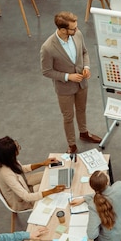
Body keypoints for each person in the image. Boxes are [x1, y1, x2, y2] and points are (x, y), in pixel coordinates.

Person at [40, 11, 102, 153]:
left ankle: (84, 133)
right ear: (62, 30)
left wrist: (86, 67)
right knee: (68, 116)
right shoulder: (47, 48)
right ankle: (72, 144)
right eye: (73, 28)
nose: (77, 29)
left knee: (82, 109)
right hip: (64, 88)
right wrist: (68, 76)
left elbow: (84, 52)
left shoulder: (77, 34)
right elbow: (46, 71)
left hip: (82, 82)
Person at [0, 136, 65, 212]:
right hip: (22, 200)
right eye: (17, 148)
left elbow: (21, 168)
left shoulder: (6, 161)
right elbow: (26, 197)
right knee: (50, 186)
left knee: (51, 175)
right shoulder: (7, 175)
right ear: (9, 155)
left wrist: (42, 163)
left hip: (24, 183)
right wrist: (52, 191)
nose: (18, 148)